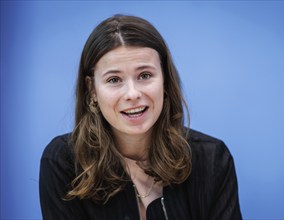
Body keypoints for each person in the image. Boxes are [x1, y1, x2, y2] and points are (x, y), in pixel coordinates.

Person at [39, 14, 242, 220]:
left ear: (164, 80)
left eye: (145, 75)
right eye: (114, 79)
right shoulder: (62, 162)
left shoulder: (212, 159)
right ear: (92, 90)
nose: (132, 93)